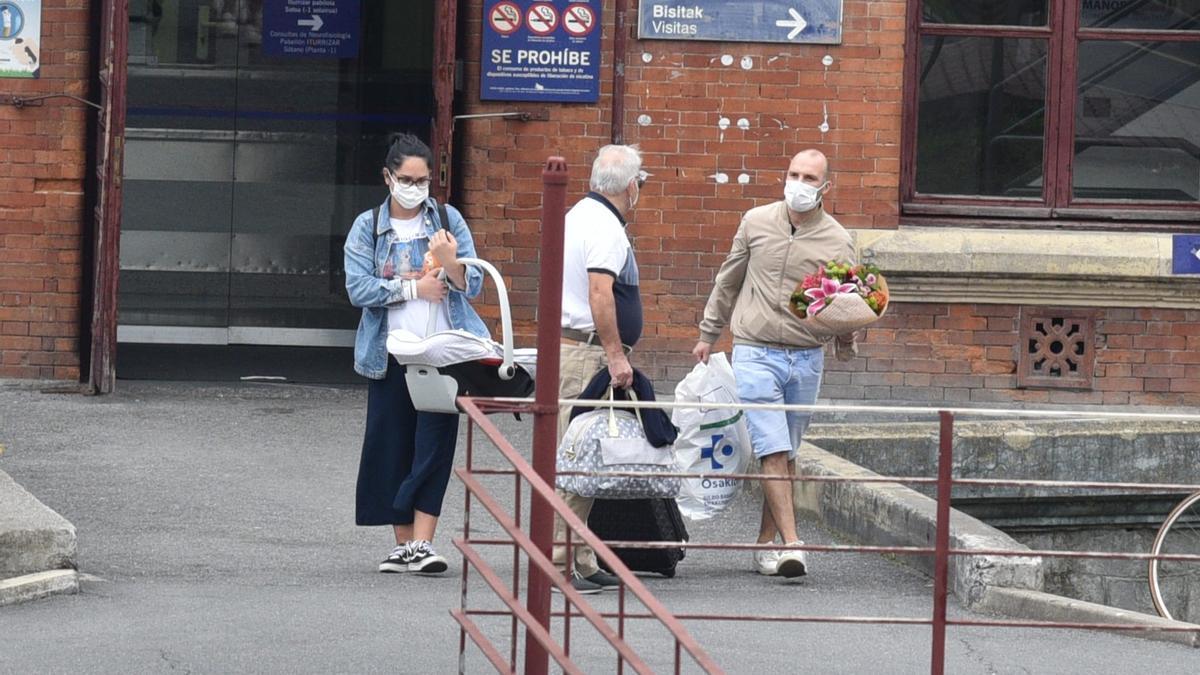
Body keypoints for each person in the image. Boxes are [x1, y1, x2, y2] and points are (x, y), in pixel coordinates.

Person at [692, 149, 857, 579]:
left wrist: (847, 341)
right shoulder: (756, 221)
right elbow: (728, 278)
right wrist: (709, 334)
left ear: (825, 187)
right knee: (773, 448)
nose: (799, 184)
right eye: (793, 174)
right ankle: (794, 544)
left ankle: (766, 543)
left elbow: (846, 303)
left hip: (805, 356)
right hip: (754, 349)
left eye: (809, 177)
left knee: (786, 453)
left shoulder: (838, 240)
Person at [344, 133, 489, 574]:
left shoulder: (447, 219)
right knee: (391, 445)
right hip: (389, 353)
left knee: (434, 446)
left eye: (423, 179)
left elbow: (475, 285)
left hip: (443, 352)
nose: (415, 186)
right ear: (388, 177)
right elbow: (357, 288)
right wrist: (413, 287)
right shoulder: (368, 226)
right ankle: (403, 544)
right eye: (406, 178)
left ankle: (423, 544)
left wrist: (450, 261)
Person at [554, 144, 648, 594]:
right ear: (631, 187)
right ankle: (558, 561)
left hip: (571, 349)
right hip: (588, 353)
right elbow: (599, 292)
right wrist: (615, 354)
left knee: (577, 452)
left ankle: (581, 556)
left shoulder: (575, 216)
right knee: (577, 456)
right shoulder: (609, 227)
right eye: (641, 184)